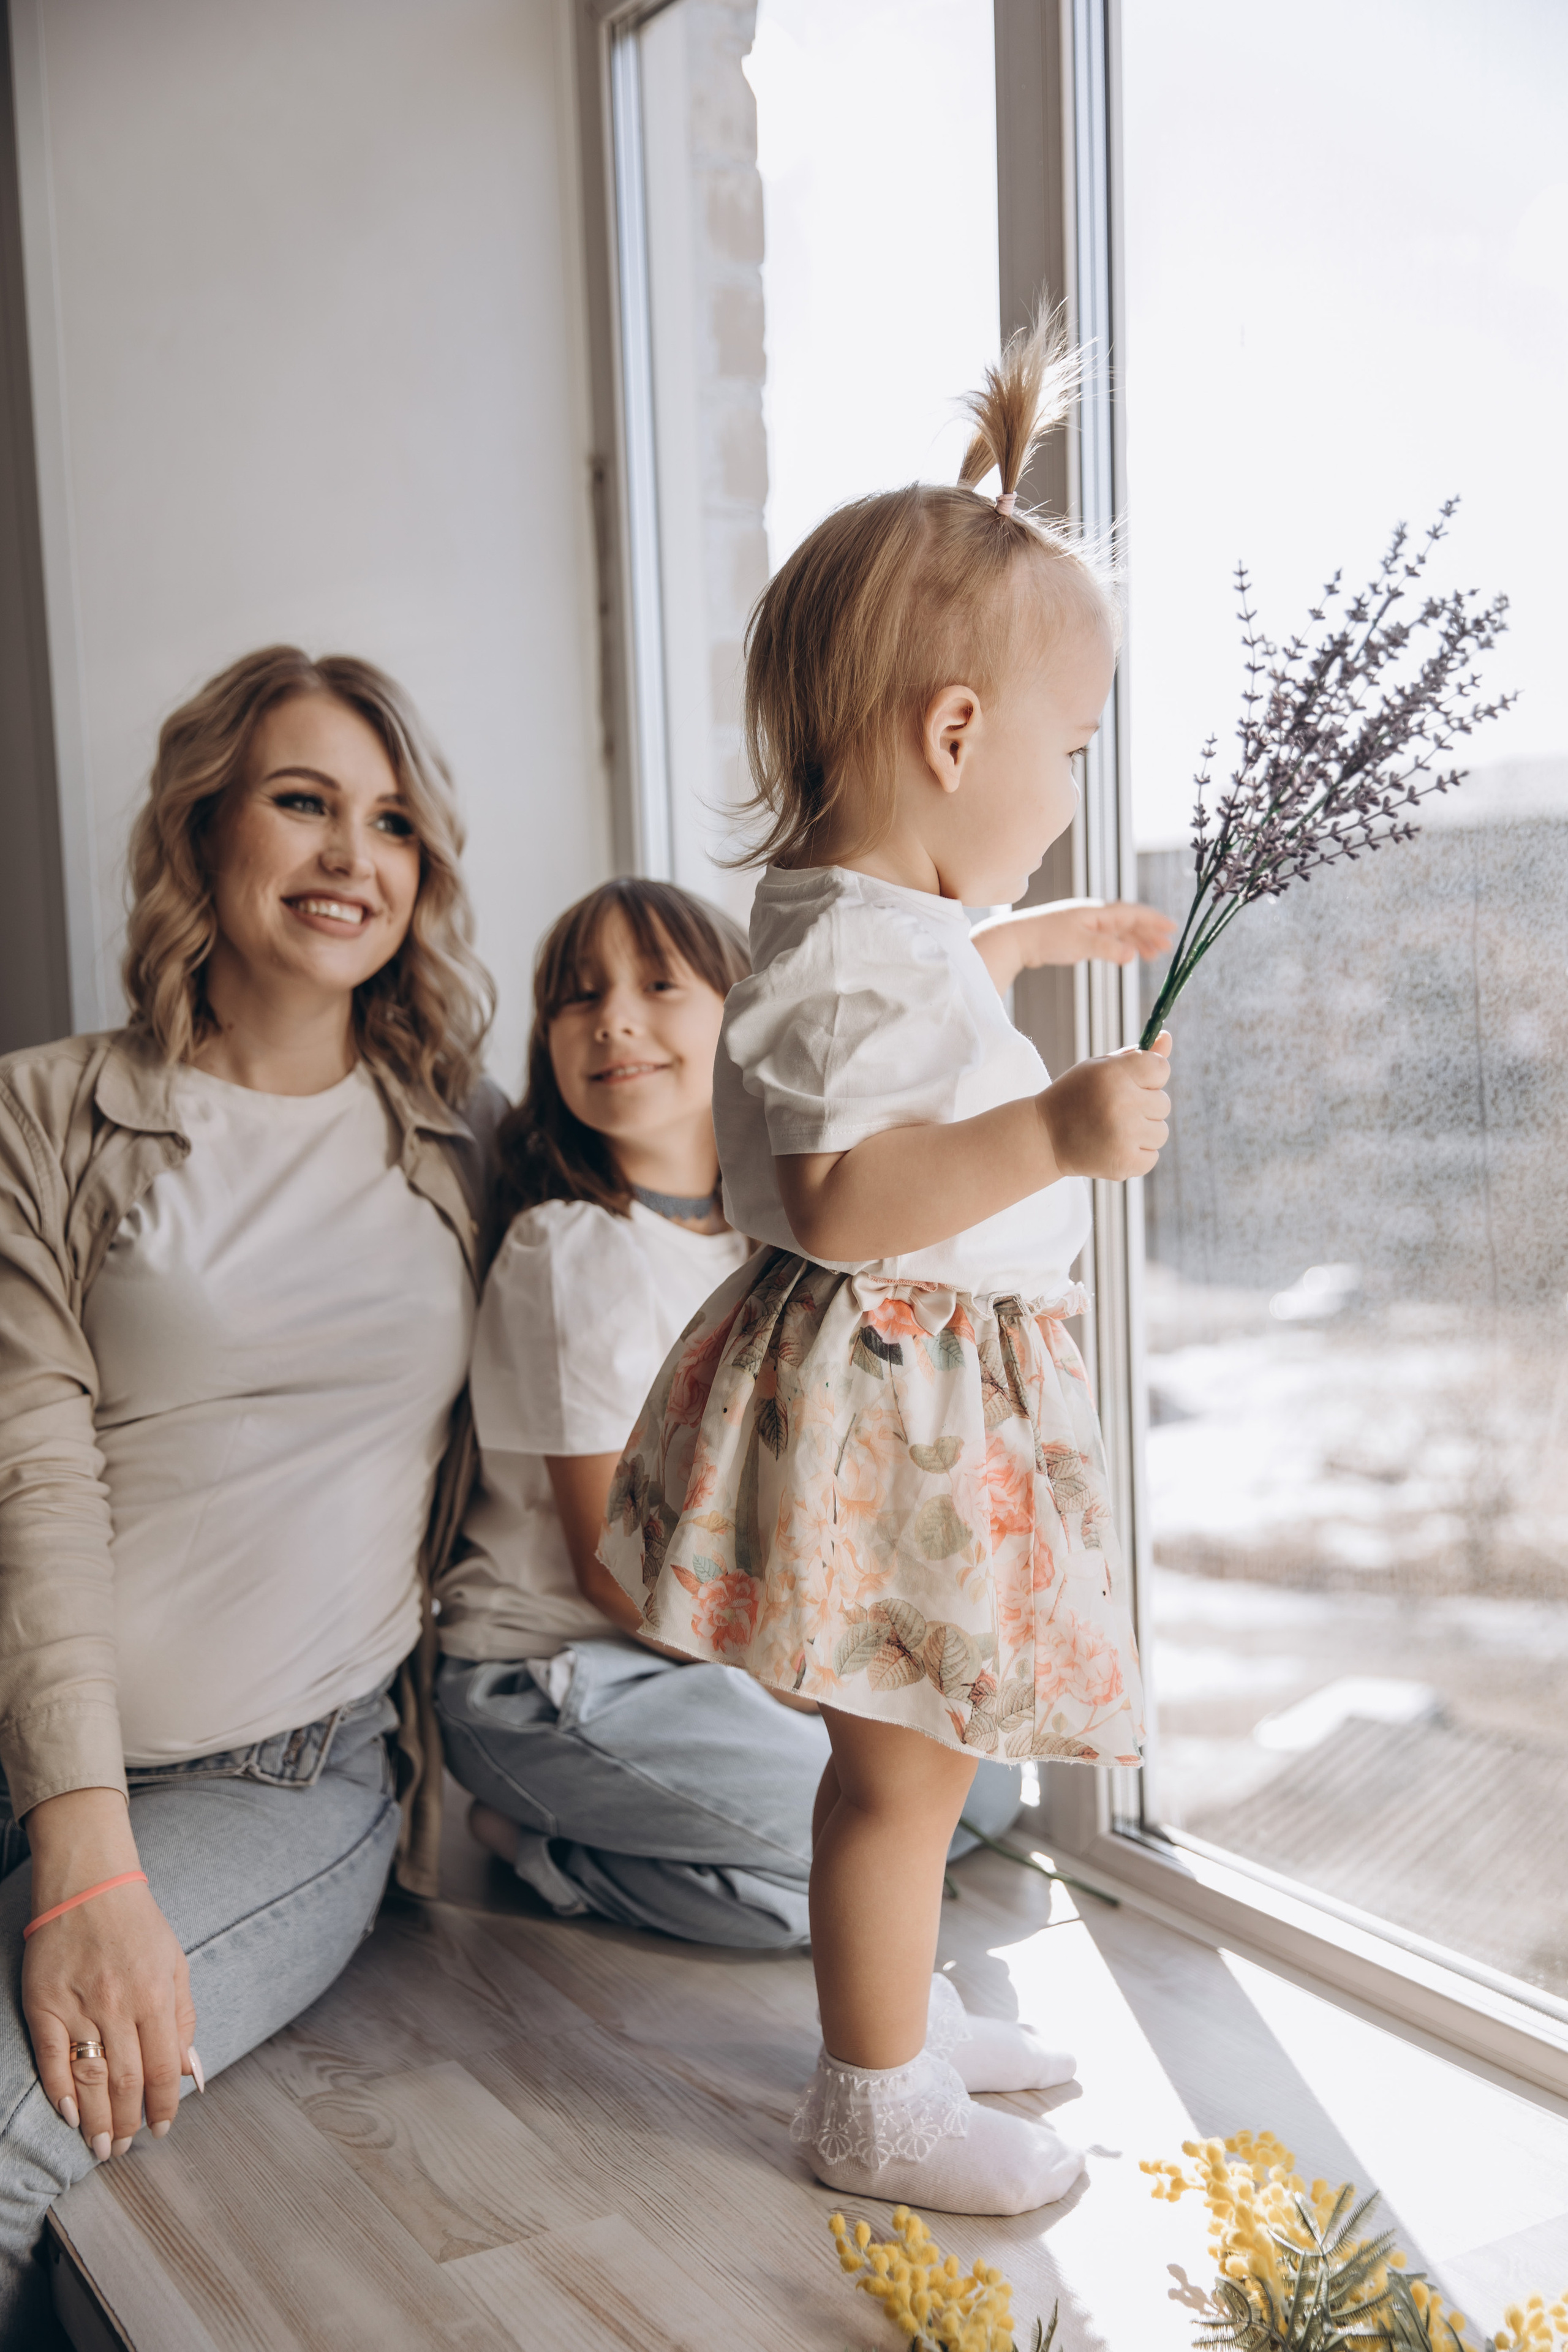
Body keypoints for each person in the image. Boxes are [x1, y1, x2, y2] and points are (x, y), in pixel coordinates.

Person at [599, 313, 1177, 2215]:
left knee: (913, 1757)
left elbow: (897, 1002)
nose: (1070, 788)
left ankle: (901, 2023)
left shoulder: (860, 920)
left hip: (910, 1403)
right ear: (954, 734)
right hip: (897, 1410)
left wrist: (1011, 945)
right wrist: (1060, 1132)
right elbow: (849, 1195)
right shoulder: (859, 948)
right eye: (1068, 752)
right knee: (907, 1770)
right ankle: (872, 2102)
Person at [0, 647, 499, 2345]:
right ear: (204, 828)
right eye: (304, 802)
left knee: (5, 2129)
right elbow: (33, 1464)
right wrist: (77, 1832)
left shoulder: (470, 1149)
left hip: (279, 1774)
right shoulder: (46, 1115)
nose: (354, 855)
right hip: (37, 1752)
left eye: (394, 824)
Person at [434, 877, 1030, 1943]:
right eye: (575, 999)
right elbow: (611, 1575)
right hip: (562, 1670)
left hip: (716, 1645)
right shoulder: (571, 1251)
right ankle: (532, 1839)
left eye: (659, 983)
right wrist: (806, 1687)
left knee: (970, 1799)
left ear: (745, 1017)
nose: (613, 1016)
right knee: (836, 1863)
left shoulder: (771, 1247)